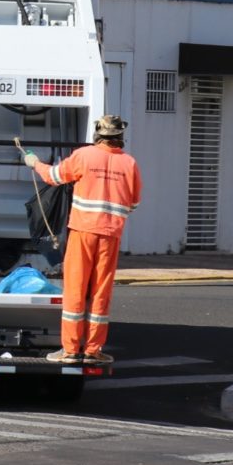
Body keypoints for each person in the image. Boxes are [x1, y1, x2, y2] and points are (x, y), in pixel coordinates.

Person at [23, 115, 142, 365]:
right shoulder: (130, 164)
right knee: (100, 292)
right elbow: (133, 203)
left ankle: (70, 350)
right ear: (120, 136)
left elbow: (53, 177)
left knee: (76, 289)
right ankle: (93, 350)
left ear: (98, 134)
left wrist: (34, 163)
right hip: (110, 235)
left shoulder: (84, 155)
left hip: (82, 231)